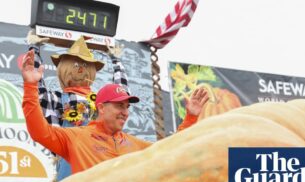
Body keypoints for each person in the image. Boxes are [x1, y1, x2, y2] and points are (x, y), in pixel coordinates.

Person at [21, 50, 209, 174]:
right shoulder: (75, 137)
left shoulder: (133, 144)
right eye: (119, 105)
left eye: (127, 107)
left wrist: (191, 117)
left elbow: (170, 148)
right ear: (101, 107)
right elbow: (40, 131)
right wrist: (31, 86)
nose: (125, 112)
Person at [26, 32, 129, 180]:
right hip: (71, 167)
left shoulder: (101, 100)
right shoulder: (57, 99)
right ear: (63, 69)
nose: (81, 69)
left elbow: (122, 95)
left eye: (85, 65)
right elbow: (36, 89)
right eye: (75, 64)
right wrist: (34, 49)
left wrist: (117, 61)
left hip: (101, 164)